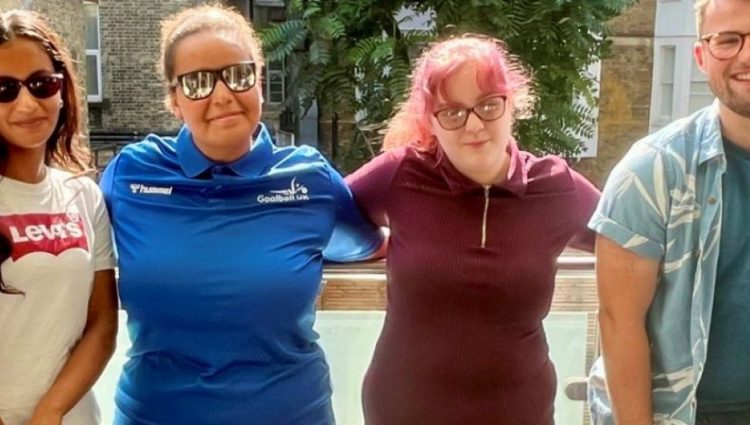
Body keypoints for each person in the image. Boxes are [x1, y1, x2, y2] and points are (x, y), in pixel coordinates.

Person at [99, 4, 384, 425]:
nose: (221, 95)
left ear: (260, 82)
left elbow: (368, 246)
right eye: (197, 82)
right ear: (174, 100)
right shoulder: (130, 176)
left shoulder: (311, 180)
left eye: (238, 74)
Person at [345, 35, 600, 425]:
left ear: (511, 104)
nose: (474, 124)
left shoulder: (555, 186)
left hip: (520, 412)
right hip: (403, 410)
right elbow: (322, 217)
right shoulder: (399, 175)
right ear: (430, 120)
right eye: (453, 112)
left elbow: (631, 240)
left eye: (488, 105)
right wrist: (372, 246)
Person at [588, 0, 750, 423]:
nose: (747, 54)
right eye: (729, 40)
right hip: (690, 414)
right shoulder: (652, 171)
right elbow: (620, 323)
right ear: (700, 56)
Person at [0, 10, 118, 425]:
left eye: (41, 84)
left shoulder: (84, 195)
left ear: (61, 88)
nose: (28, 103)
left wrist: (49, 413)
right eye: (4, 90)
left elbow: (101, 323)